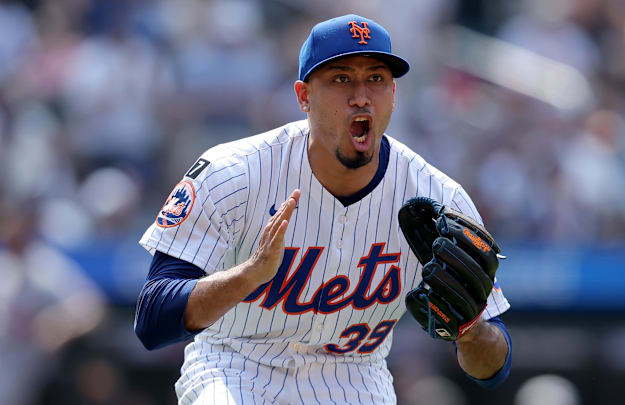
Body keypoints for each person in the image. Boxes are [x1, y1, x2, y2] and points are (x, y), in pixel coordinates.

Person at [134, 14, 511, 404]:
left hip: (357, 376)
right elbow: (153, 318)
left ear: (394, 95)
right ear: (303, 96)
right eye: (341, 79)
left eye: (376, 79)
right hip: (235, 365)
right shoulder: (234, 173)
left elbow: (493, 370)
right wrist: (249, 275)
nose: (361, 96)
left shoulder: (438, 198)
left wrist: (470, 329)